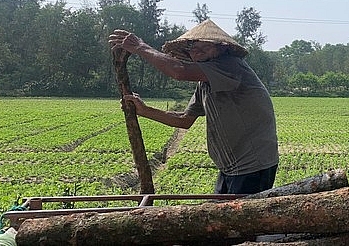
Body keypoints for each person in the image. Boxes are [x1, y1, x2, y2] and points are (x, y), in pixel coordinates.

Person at [108, 19, 279, 195]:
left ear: (221, 48)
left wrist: (140, 47)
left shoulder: (231, 65)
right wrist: (144, 110)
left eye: (204, 48)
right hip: (230, 166)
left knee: (237, 220)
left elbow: (179, 71)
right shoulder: (205, 82)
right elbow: (184, 120)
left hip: (252, 165)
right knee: (220, 217)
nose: (196, 53)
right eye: (193, 49)